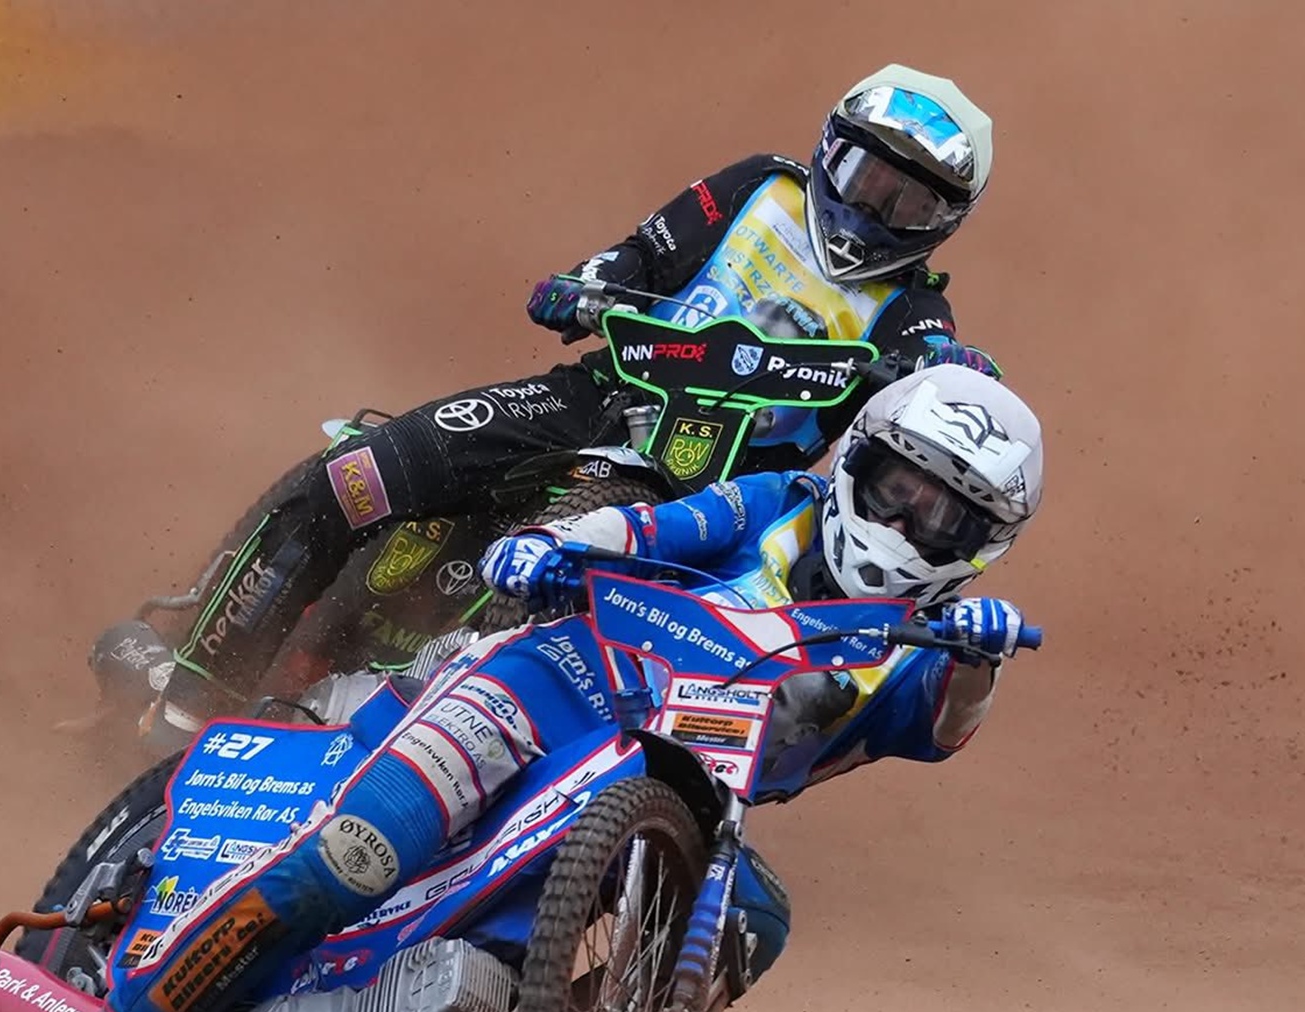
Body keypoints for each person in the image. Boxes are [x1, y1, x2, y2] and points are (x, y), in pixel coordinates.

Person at [52, 362, 1045, 1012]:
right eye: (898, 486)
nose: (907, 521)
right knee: (364, 846)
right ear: (856, 462)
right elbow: (654, 525)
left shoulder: (931, 649)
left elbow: (947, 727)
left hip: (672, 797)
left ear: (983, 542)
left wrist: (982, 659)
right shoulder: (775, 503)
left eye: (943, 514)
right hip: (551, 684)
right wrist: (556, 545)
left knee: (755, 920)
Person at [91, 65, 1005, 740]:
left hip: (715, 498)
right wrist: (584, 286)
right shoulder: (760, 187)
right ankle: (190, 698)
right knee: (355, 473)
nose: (875, 209)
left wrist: (957, 368)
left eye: (909, 203)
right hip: (591, 399)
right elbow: (635, 257)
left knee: (549, 598)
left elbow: (941, 390)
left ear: (946, 222)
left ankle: (401, 747)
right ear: (830, 151)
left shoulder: (914, 311)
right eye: (867, 177)